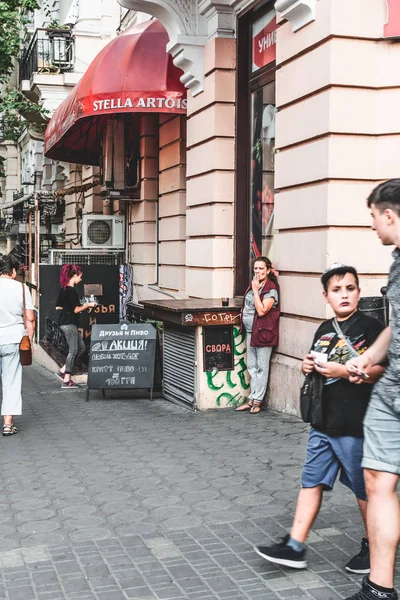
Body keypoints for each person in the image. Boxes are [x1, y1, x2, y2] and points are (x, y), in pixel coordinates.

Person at [254, 264, 385, 574]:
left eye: (350, 289)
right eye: (337, 290)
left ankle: (374, 545)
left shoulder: (371, 328)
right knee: (311, 483)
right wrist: (306, 366)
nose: (344, 295)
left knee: (363, 491)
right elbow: (313, 360)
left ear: (358, 291)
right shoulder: (324, 329)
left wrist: (347, 372)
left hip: (356, 425)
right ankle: (295, 546)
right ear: (326, 296)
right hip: (322, 423)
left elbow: (383, 371)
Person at [345, 179, 400, 600]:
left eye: (372, 218)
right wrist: (369, 357)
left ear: (389, 215)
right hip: (391, 384)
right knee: (377, 476)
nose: (372, 227)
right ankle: (379, 588)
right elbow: (395, 328)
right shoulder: (396, 261)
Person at [235, 256, 280, 414]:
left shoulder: (270, 288)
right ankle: (252, 398)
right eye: (255, 268)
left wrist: (255, 291)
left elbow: (261, 311)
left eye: (261, 268)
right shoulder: (254, 284)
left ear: (268, 270)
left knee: (261, 368)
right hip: (251, 331)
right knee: (251, 366)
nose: (258, 271)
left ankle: (257, 401)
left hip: (263, 333)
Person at [0, 254, 35, 436]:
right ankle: (8, 423)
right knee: (11, 381)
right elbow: (29, 318)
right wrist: (29, 339)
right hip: (12, 339)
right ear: (13, 271)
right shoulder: (21, 288)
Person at [56, 264, 96, 390]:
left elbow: (58, 307)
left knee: (81, 347)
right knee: (73, 350)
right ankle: (66, 379)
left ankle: (63, 369)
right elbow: (77, 309)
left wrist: (68, 308)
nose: (81, 279)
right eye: (80, 276)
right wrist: (89, 305)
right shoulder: (72, 291)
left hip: (65, 322)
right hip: (69, 323)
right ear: (74, 275)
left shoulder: (63, 289)